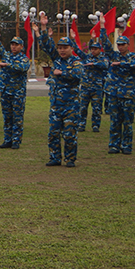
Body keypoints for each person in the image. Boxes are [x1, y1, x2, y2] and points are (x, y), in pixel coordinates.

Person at [36, 17, 83, 167]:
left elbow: (77, 75)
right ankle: (55, 157)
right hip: (56, 104)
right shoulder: (56, 59)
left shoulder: (76, 62)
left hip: (71, 105)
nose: (62, 50)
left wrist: (62, 73)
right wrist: (43, 27)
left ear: (71, 48)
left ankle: (70, 159)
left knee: (69, 134)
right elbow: (46, 45)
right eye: (60, 47)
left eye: (65, 47)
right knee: (53, 133)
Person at [0, 17, 31, 150]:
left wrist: (8, 65)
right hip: (5, 91)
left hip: (17, 92)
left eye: (16, 45)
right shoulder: (6, 55)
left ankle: (16, 141)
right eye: (12, 44)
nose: (13, 47)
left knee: (17, 117)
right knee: (7, 117)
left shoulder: (23, 58)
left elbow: (22, 67)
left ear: (21, 47)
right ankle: (7, 139)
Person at [99, 16, 135, 154]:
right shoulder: (114, 55)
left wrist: (121, 64)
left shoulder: (133, 57)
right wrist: (103, 27)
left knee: (127, 122)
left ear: (128, 45)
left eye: (122, 44)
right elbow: (105, 44)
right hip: (114, 93)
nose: (120, 47)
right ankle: (114, 145)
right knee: (115, 121)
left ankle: (126, 145)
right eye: (119, 44)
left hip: (128, 94)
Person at [74, 39, 108, 133]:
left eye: (95, 49)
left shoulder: (102, 58)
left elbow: (105, 65)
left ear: (99, 50)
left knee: (96, 108)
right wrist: (73, 39)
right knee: (82, 107)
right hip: (85, 87)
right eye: (92, 49)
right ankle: (81, 124)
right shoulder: (86, 57)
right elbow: (77, 51)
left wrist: (94, 64)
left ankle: (95, 125)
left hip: (97, 88)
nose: (93, 51)